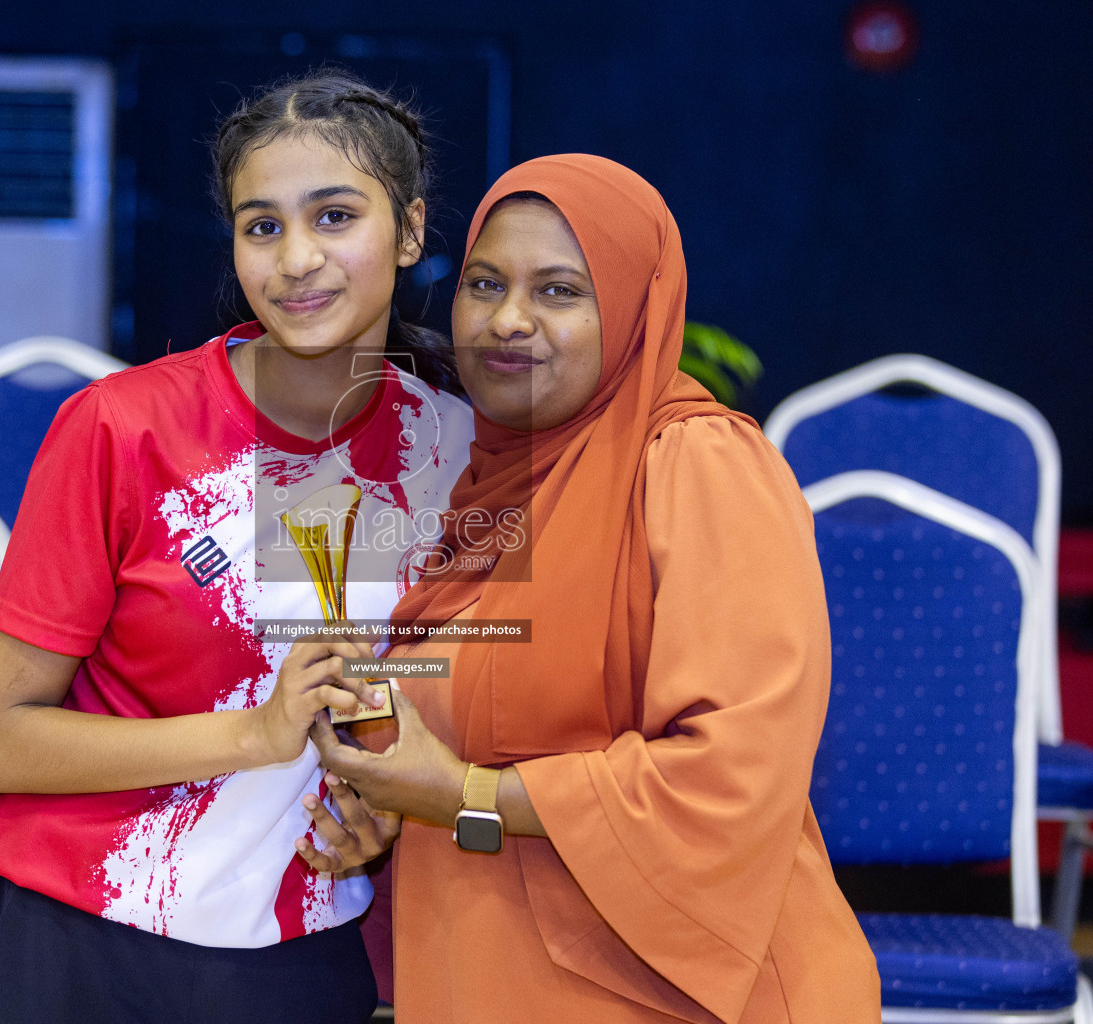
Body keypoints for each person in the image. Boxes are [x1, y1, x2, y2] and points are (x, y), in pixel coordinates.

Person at [302, 154, 881, 1022]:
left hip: (683, 997)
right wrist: (382, 820)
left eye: (561, 291)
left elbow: (731, 772)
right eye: (485, 283)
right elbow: (455, 725)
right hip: (489, 978)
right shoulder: (473, 485)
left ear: (634, 309)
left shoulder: (698, 465)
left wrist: (459, 794)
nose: (508, 321)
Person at [0, 71, 473, 1024]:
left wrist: (387, 817)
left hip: (299, 947)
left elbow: (440, 708)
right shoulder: (120, 430)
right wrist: (254, 734)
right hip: (84, 937)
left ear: (408, 231)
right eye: (262, 225)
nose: (296, 260)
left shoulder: (454, 454)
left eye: (334, 216)